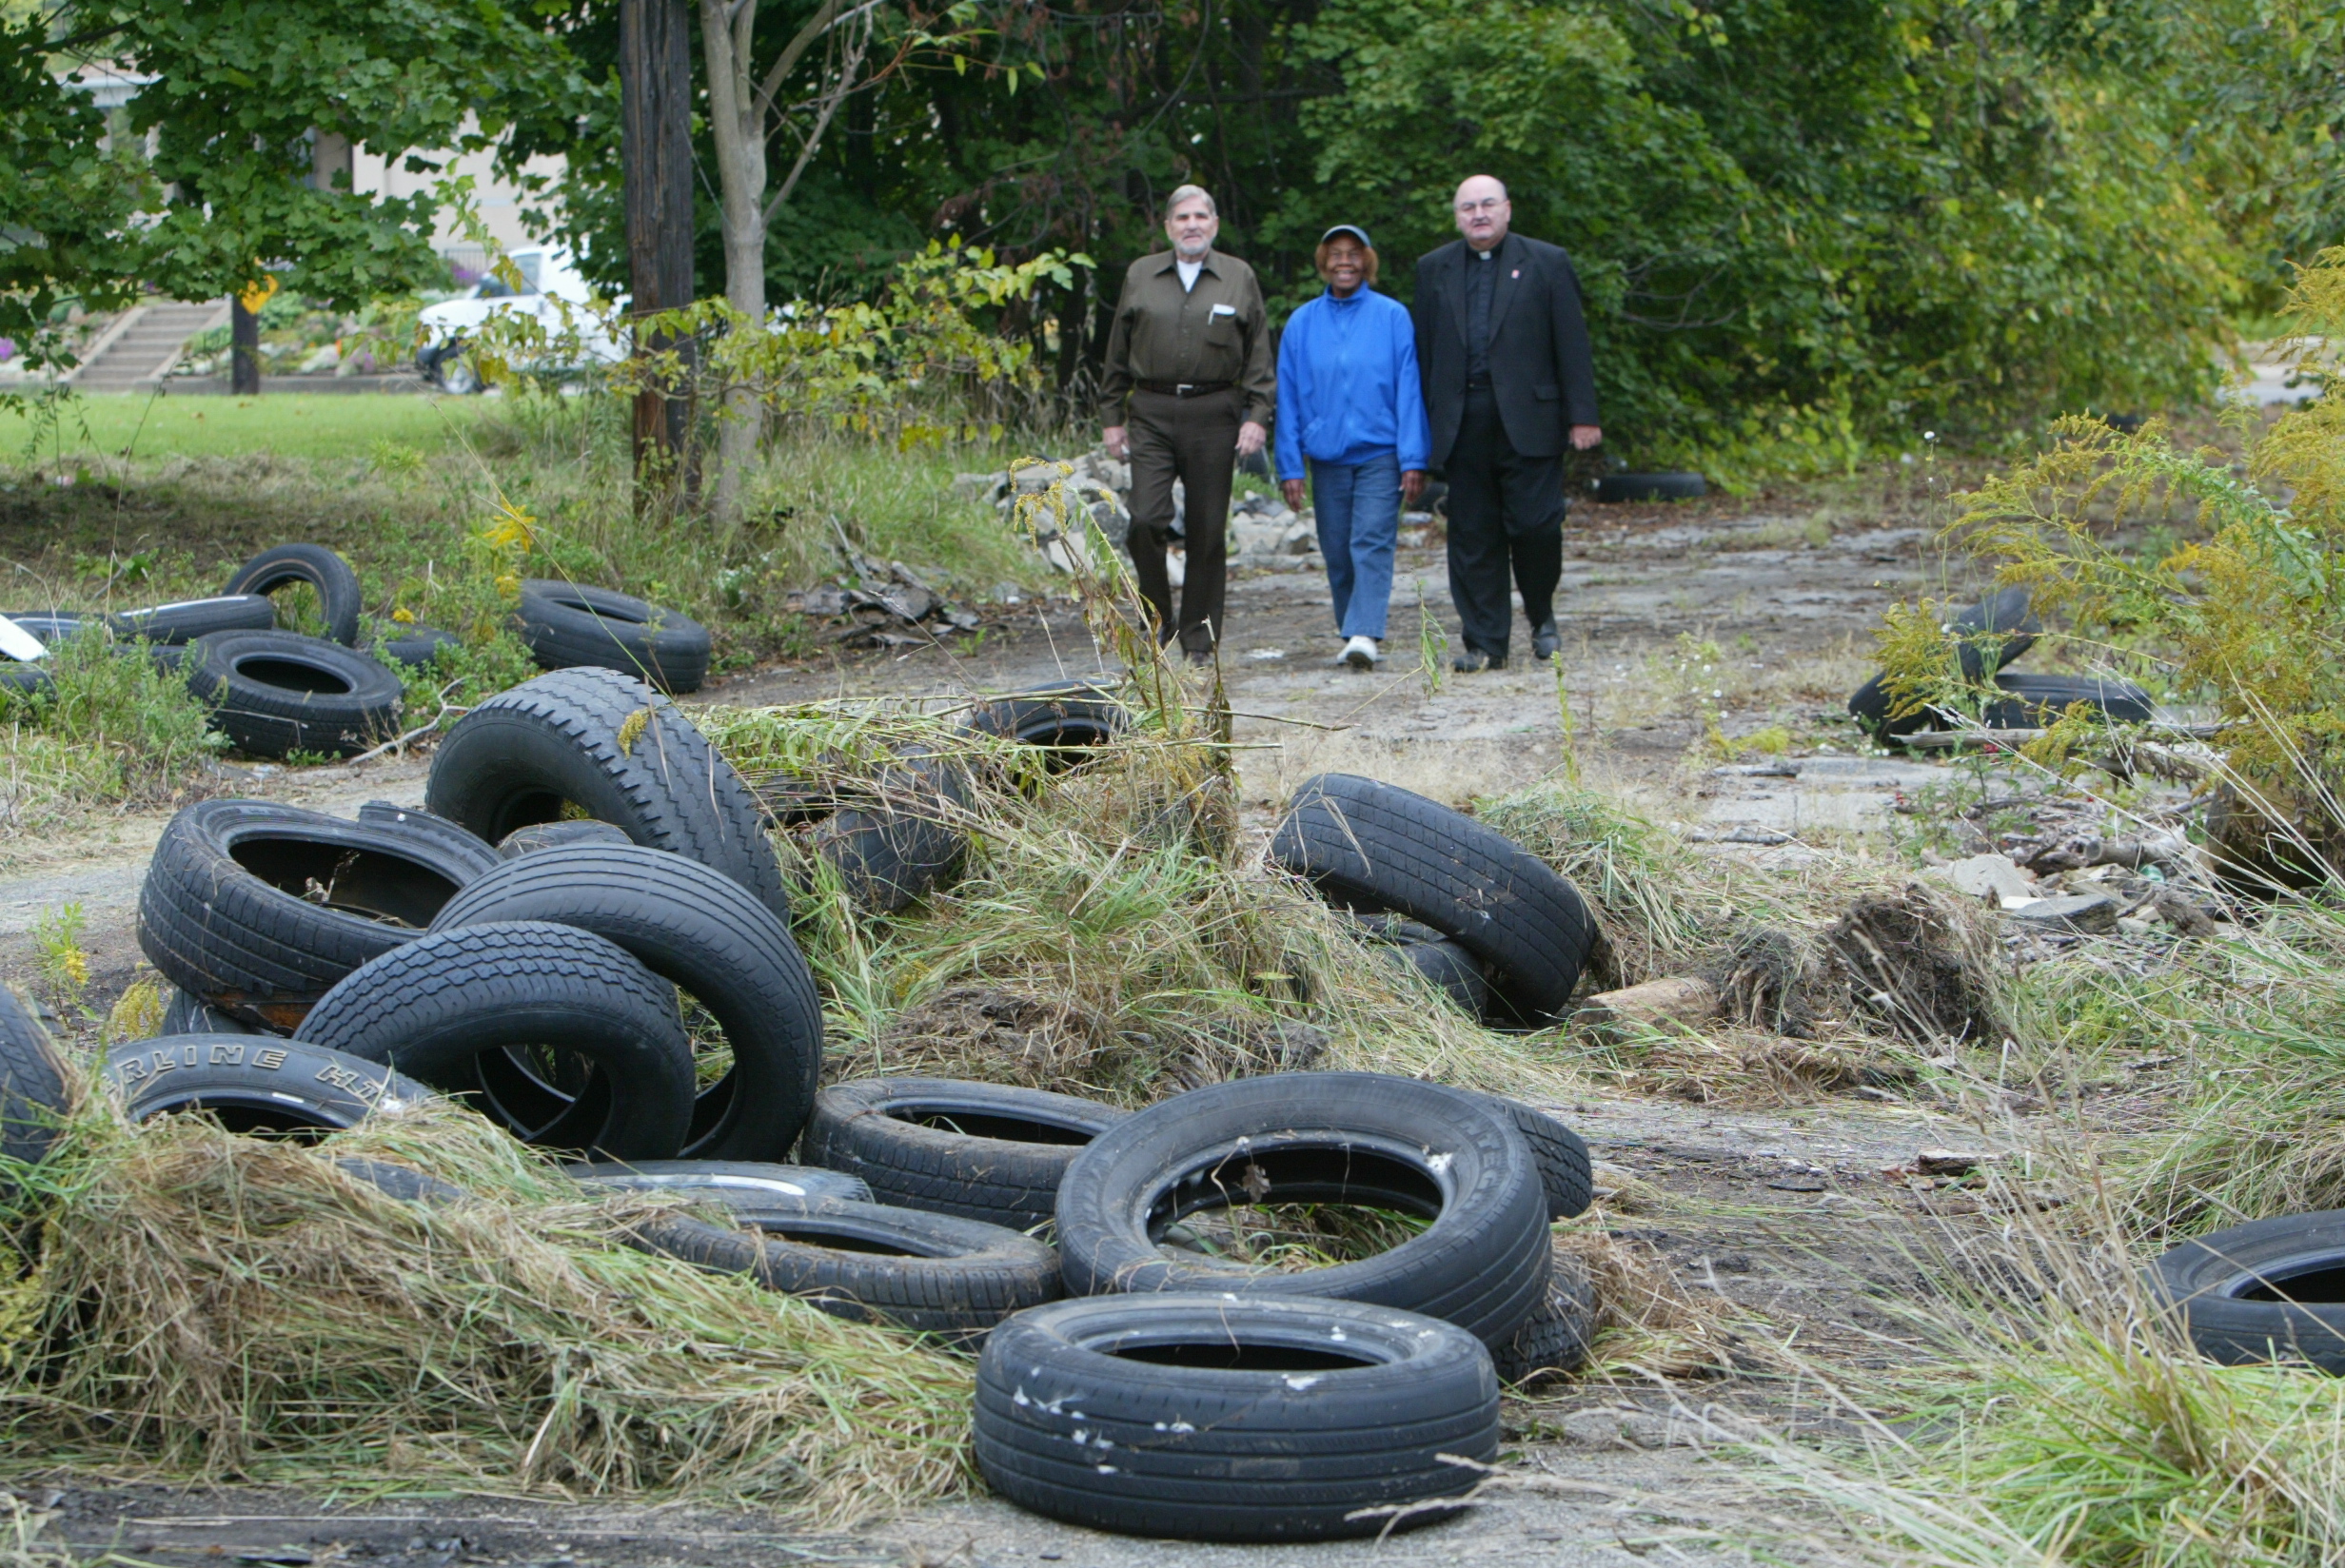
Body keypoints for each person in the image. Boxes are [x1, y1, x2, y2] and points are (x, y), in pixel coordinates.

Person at [1412, 174, 1601, 670]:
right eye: (1468, 207)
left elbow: (1572, 342)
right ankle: (1485, 644)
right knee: (1472, 535)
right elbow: (1425, 353)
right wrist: (1422, 429)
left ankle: (1542, 616)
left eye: (1487, 204)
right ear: (1457, 216)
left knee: (1537, 526)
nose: (1478, 214)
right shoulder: (1433, 268)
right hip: (1461, 422)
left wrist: (1582, 415)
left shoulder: (1547, 262)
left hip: (1531, 420)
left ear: (1507, 209)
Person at [1099, 186, 1274, 662]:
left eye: (1200, 216)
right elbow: (1117, 350)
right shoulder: (1141, 274)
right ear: (1168, 227)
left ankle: (1198, 639)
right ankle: (1157, 622)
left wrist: (1257, 417)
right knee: (1144, 520)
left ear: (1214, 224)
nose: (1192, 224)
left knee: (1207, 530)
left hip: (1214, 411)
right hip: (1151, 410)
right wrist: (1111, 417)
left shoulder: (1238, 276)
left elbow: (1259, 354)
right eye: (1182, 217)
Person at [1275, 225, 1429, 670]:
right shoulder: (1302, 323)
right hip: (1327, 456)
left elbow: (1409, 389)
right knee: (1338, 551)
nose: (1345, 261)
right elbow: (1288, 397)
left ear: (1367, 262)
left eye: (1354, 253)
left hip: (1381, 453)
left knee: (1371, 541)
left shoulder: (1392, 317)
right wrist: (1290, 465)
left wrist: (1413, 456)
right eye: (1336, 253)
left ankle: (1365, 633)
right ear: (1324, 262)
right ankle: (1353, 632)